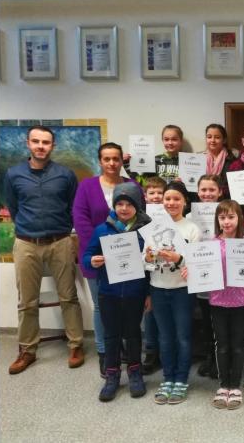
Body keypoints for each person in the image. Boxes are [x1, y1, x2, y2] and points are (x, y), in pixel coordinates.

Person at [4, 125, 84, 375]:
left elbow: (73, 207)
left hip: (60, 242)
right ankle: (27, 350)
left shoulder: (65, 175)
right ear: (28, 143)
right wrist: (29, 228)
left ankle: (76, 344)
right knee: (27, 301)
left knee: (68, 297)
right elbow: (13, 207)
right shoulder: (13, 174)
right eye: (36, 141)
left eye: (46, 142)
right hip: (27, 243)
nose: (41, 146)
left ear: (53, 146)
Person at [73, 142, 141, 377]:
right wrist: (103, 248)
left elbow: (141, 216)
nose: (112, 163)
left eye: (116, 159)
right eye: (107, 159)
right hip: (99, 258)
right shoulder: (87, 186)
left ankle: (124, 351)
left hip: (128, 258)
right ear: (100, 161)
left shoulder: (132, 185)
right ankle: (104, 352)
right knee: (102, 306)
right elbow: (80, 219)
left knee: (128, 305)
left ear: (122, 160)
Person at [82, 182, 152, 401]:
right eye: (119, 204)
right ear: (114, 206)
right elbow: (86, 256)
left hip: (135, 293)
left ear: (137, 206)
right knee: (111, 335)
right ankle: (112, 375)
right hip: (108, 294)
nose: (123, 208)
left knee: (133, 334)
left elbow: (151, 265)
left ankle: (135, 372)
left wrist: (148, 293)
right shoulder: (102, 230)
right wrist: (92, 261)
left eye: (129, 204)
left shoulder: (145, 231)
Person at [144, 181, 200, 405]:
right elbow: (144, 261)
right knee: (164, 337)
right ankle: (168, 378)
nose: (171, 202)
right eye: (168, 198)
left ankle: (181, 379)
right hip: (158, 288)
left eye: (177, 198)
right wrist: (148, 257)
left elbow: (198, 263)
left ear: (185, 202)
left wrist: (179, 258)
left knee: (183, 337)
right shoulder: (153, 227)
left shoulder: (192, 228)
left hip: (182, 291)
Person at [206, 200, 244, 410]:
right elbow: (203, 270)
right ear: (217, 220)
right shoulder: (211, 244)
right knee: (221, 344)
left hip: (240, 300)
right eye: (222, 217)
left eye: (231, 217)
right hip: (217, 300)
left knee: (238, 344)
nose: (227, 221)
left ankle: (235, 385)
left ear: (239, 218)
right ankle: (224, 385)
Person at [189, 174, 223, 380]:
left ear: (220, 192)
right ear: (198, 191)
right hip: (202, 272)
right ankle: (209, 356)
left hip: (223, 274)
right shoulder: (190, 216)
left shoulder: (228, 212)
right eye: (204, 190)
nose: (208, 194)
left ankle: (220, 358)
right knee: (205, 319)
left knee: (220, 319)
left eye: (212, 190)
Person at [141, 176, 167, 376]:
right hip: (147, 271)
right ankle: (151, 351)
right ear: (145, 196)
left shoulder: (172, 216)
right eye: (152, 193)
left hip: (167, 270)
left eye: (160, 193)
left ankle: (165, 351)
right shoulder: (141, 218)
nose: (157, 197)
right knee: (149, 312)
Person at [200, 124, 238, 200]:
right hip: (204, 203)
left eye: (217, 137)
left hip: (226, 202)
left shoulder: (233, 159)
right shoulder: (198, 159)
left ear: (224, 140)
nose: (212, 140)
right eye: (209, 137)